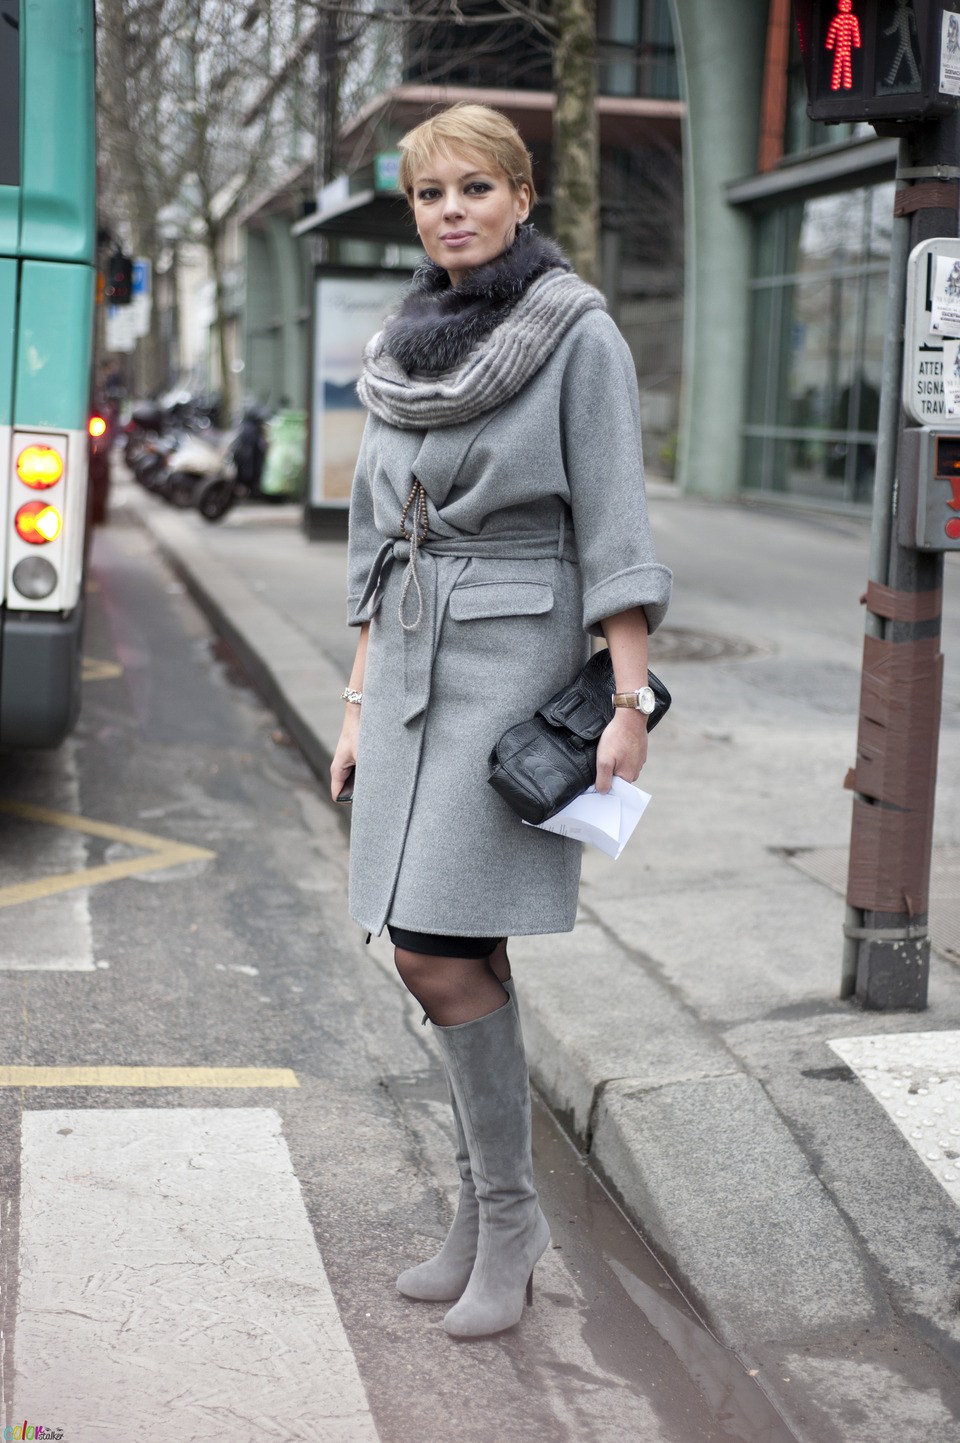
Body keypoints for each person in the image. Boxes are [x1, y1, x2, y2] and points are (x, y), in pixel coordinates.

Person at [330, 102, 671, 1339]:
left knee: (431, 948)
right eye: (430, 194)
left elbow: (616, 525)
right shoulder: (400, 349)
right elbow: (377, 537)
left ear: (523, 198)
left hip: (512, 667)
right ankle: (485, 1217)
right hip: (408, 670)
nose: (452, 211)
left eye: (476, 187)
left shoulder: (577, 334)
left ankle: (512, 1217)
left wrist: (626, 703)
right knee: (463, 947)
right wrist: (355, 703)